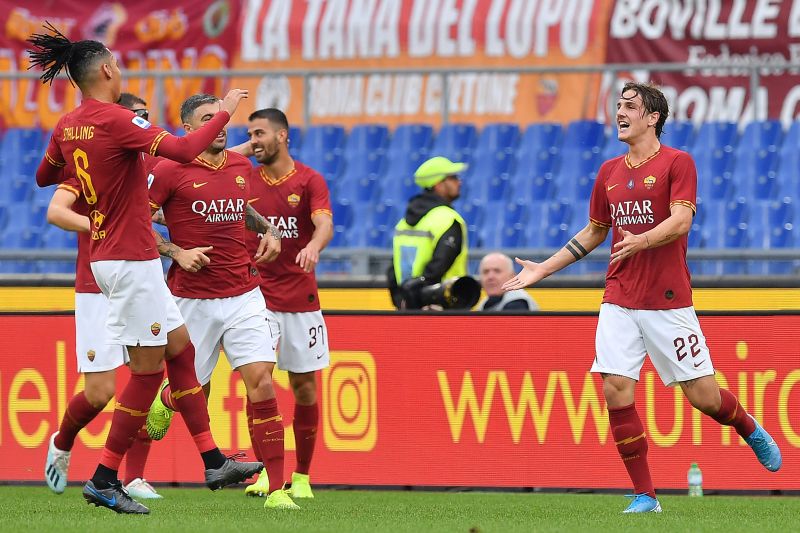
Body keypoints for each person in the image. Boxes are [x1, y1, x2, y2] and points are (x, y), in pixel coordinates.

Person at [502, 82, 782, 514]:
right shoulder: (608, 171)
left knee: (704, 397)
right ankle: (646, 495)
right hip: (618, 297)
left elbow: (681, 221)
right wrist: (543, 268)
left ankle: (748, 427)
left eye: (630, 106)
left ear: (653, 118)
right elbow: (595, 231)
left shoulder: (678, 162)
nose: (620, 112)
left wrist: (643, 240)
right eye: (618, 105)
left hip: (668, 301)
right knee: (615, 388)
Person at [29, 24, 261, 514]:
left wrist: (96, 168)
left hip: (119, 258)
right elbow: (184, 150)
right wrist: (225, 109)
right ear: (106, 69)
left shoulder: (68, 125)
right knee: (146, 371)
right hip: (129, 259)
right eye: (117, 64)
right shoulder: (116, 120)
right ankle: (106, 477)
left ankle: (213, 460)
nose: (120, 70)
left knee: (181, 349)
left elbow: (45, 175)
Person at [143, 94, 299, 510]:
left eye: (222, 117)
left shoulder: (239, 166)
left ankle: (277, 490)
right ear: (189, 129)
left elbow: (239, 210)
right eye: (209, 118)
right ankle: (167, 399)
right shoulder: (169, 168)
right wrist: (177, 252)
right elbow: (138, 222)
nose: (220, 124)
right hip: (191, 299)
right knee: (194, 391)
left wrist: (269, 230)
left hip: (244, 293)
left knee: (261, 381)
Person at [43, 93, 165, 501]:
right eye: (137, 117)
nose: (142, 124)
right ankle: (62, 442)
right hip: (96, 287)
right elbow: (56, 211)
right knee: (100, 392)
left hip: (139, 277)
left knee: (148, 374)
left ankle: (133, 476)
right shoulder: (93, 163)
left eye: (146, 117)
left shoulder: (147, 169)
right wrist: (96, 224)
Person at [244, 108, 334, 499]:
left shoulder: (309, 180)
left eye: (259, 133)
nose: (253, 141)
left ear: (282, 135)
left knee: (305, 388)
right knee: (258, 380)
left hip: (300, 297)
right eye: (250, 134)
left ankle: (302, 477)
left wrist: (313, 246)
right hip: (256, 297)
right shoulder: (245, 179)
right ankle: (268, 472)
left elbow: (324, 223)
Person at [388, 156, 468, 309]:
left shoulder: (404, 221)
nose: (459, 182)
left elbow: (393, 267)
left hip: (409, 303)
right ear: (438, 184)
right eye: (453, 177)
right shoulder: (448, 219)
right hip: (444, 303)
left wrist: (402, 297)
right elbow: (440, 264)